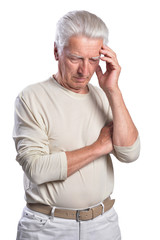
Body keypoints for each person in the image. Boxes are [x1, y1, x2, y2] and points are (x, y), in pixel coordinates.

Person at [13, 10, 140, 240]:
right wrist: (98, 147)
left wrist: (113, 90)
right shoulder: (31, 98)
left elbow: (129, 153)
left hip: (104, 224)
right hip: (48, 227)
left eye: (93, 60)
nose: (85, 71)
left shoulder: (105, 95)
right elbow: (37, 169)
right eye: (75, 58)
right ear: (56, 52)